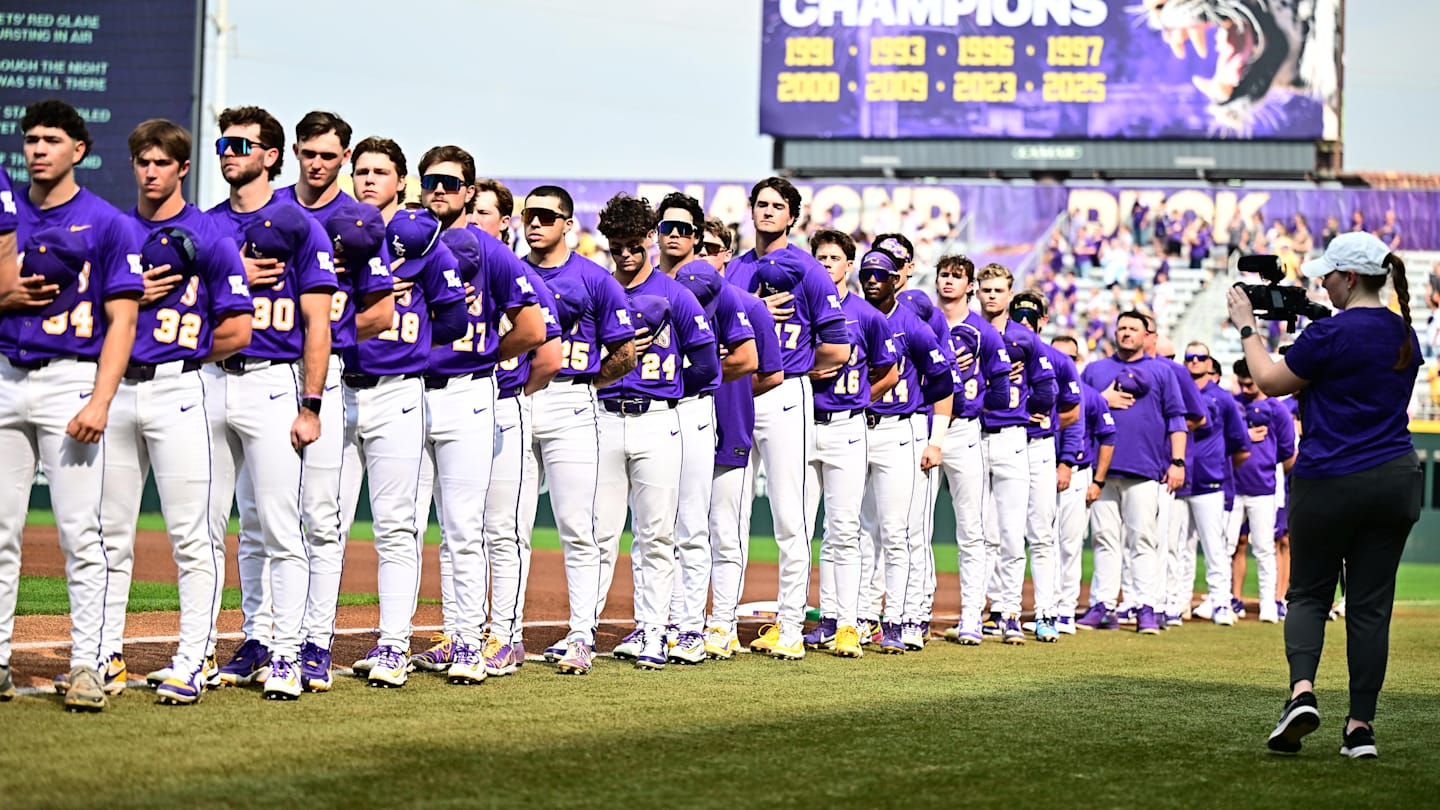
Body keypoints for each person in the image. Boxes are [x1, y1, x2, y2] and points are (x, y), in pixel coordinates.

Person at [1230, 233, 1422, 759]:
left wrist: (1248, 325)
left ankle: (1302, 694)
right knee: (1369, 608)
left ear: (1350, 277)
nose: (1322, 282)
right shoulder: (1406, 332)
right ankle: (1360, 727)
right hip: (1394, 477)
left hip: (1329, 476)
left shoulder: (1331, 334)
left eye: (1329, 275)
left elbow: (1268, 379)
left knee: (1310, 594)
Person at [1, 100, 143, 711]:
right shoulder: (8, 217)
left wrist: (102, 398)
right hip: (7, 375)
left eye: (52, 139)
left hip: (71, 381)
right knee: (0, 531)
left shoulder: (108, 222)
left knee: (81, 533)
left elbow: (124, 320)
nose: (37, 148)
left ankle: (88, 663)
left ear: (78, 150)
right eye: (30, 138)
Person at [106, 119, 253, 705]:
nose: (150, 171)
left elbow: (239, 327)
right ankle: (103, 654)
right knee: (106, 534)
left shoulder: (211, 236)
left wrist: (189, 352)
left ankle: (193, 659)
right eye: (143, 160)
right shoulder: (112, 233)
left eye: (161, 161)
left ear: (182, 168)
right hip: (115, 390)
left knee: (192, 537)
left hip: (179, 389)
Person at [203, 105, 337, 699]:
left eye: (241, 143)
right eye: (223, 143)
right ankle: (243, 640)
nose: (229, 151)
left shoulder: (297, 223)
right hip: (208, 379)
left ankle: (286, 652)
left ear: (270, 155)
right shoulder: (205, 225)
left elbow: (318, 325)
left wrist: (311, 403)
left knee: (282, 526)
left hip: (273, 379)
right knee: (223, 527)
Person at [409, 146, 544, 684]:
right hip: (410, 391)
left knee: (467, 528)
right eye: (430, 181)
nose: (438, 189)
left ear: (468, 191)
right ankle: (441, 635)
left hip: (468, 390)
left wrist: (486, 354)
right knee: (411, 526)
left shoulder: (489, 252)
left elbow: (534, 330)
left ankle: (471, 641)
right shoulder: (406, 242)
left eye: (450, 182)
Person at [278, 115, 395, 693]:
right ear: (295, 152)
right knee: (270, 519)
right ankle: (265, 638)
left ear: (342, 156)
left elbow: (381, 310)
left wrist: (324, 338)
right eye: (308, 153)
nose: (317, 163)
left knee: (322, 519)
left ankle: (313, 643)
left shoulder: (360, 220)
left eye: (328, 154)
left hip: (336, 376)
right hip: (271, 374)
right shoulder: (273, 209)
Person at [724, 177, 849, 660]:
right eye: (761, 204)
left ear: (792, 216)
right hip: (738, 393)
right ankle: (718, 624)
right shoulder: (736, 269)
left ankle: (792, 625)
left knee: (789, 516)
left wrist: (793, 367)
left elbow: (837, 346)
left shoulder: (809, 270)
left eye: (778, 206)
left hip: (785, 395)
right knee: (727, 510)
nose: (767, 212)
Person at [590, 193, 717, 670]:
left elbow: (706, 366)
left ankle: (652, 632)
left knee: (656, 534)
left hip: (658, 417)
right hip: (601, 416)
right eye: (614, 244)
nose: (624, 253)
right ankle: (583, 632)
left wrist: (665, 384)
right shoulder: (598, 287)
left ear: (650, 238)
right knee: (598, 532)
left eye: (632, 244)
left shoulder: (677, 294)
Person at [522, 185, 635, 675]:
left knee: (578, 527)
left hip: (571, 400)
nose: (536, 223)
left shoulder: (595, 278)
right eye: (530, 214)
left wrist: (588, 382)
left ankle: (581, 634)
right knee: (504, 527)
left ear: (568, 224)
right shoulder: (512, 268)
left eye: (548, 216)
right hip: (519, 399)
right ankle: (498, 632)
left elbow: (625, 353)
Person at [655, 193, 755, 665]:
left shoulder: (727, 294)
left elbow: (754, 363)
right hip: (654, 410)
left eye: (711, 242)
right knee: (657, 525)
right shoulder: (641, 283)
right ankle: (660, 623)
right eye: (666, 227)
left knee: (699, 526)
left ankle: (702, 625)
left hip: (698, 408)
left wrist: (695, 375)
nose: (675, 236)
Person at [805, 229, 896, 658]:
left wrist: (860, 399)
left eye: (835, 257)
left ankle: (847, 623)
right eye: (820, 256)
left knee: (844, 528)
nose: (826, 263)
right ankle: (814, 619)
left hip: (846, 425)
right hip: (803, 423)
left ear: (848, 265)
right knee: (803, 527)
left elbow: (888, 371)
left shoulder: (868, 316)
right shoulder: (799, 309)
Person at [701, 217, 783, 659]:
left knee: (725, 533)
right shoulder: (666, 298)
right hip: (675, 430)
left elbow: (771, 373)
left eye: (714, 247)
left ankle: (722, 624)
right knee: (675, 533)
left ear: (726, 254)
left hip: (729, 426)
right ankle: (680, 620)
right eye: (701, 244)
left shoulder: (747, 304)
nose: (705, 253)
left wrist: (729, 391)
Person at [1076, 311, 1187, 634]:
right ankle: (1103, 605)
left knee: (1143, 540)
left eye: (1133, 328)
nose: (1126, 333)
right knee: (1104, 538)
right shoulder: (1096, 370)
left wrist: (1177, 462)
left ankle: (1146, 607)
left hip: (1144, 467)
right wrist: (1101, 398)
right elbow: (1077, 408)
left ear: (1145, 334)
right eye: (1122, 327)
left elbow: (1177, 419)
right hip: (1101, 469)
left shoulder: (1162, 371)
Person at [934, 255, 1010, 645]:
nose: (949, 282)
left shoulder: (982, 331)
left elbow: (1001, 385)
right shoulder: (924, 321)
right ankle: (910, 614)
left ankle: (971, 618)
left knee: (972, 529)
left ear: (970, 287)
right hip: (927, 428)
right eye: (944, 275)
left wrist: (978, 409)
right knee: (909, 526)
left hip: (964, 429)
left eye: (957, 277)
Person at [1227, 358, 1296, 625]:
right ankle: (1224, 600)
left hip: (1264, 487)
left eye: (1250, 383)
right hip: (1233, 485)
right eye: (1241, 383)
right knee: (1228, 544)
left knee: (1265, 547)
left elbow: (1287, 451)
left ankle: (1270, 603)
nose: (1245, 389)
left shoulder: (1276, 409)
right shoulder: (1233, 405)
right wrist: (1246, 436)